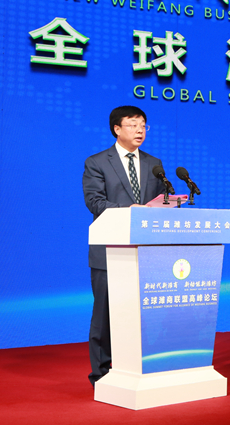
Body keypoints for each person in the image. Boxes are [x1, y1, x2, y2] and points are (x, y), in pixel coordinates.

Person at [82, 105, 166, 386]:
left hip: (145, 251)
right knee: (105, 314)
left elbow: (159, 201)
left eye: (143, 125)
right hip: (109, 250)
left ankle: (138, 368)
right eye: (133, 125)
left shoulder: (153, 163)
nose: (140, 130)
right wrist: (130, 209)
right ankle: (101, 375)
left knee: (142, 314)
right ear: (117, 129)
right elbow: (95, 202)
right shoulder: (97, 162)